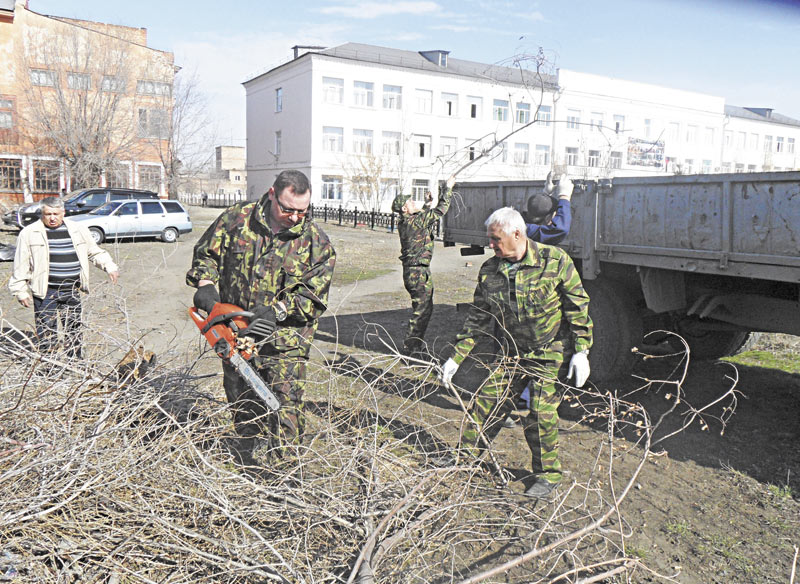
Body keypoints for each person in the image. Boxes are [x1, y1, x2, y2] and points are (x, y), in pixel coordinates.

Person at [438, 206, 592, 499]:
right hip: (512, 352)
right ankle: (464, 459)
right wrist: (456, 357)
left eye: (496, 239)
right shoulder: (490, 270)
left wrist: (581, 350)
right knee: (486, 403)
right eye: (490, 240)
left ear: (517, 234)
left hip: (551, 351)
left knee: (539, 413)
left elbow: (578, 306)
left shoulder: (555, 261)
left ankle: (548, 475)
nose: (490, 245)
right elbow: (478, 318)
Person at [186, 170, 336, 464]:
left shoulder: (317, 244)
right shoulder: (235, 220)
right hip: (235, 332)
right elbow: (206, 255)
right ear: (271, 195)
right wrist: (206, 286)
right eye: (288, 209)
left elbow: (314, 297)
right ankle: (246, 458)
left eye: (302, 211)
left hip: (285, 341)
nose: (295, 217)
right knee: (241, 398)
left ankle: (287, 470)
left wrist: (278, 310)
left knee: (285, 403)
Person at [9, 196, 120, 359]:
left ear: (63, 212)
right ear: (42, 213)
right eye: (48, 214)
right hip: (45, 292)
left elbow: (94, 251)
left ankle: (75, 362)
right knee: (47, 331)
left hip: (72, 290)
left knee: (73, 330)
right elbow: (21, 264)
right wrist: (20, 290)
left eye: (56, 213)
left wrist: (109, 266)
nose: (52, 218)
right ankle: (49, 366)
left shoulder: (78, 229)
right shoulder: (29, 233)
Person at [391, 174, 456, 356]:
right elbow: (441, 210)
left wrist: (427, 204)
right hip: (418, 272)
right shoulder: (414, 222)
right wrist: (448, 188)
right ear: (405, 208)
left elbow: (423, 218)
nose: (414, 203)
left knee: (423, 309)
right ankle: (411, 348)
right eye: (410, 202)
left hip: (415, 272)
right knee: (422, 311)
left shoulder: (407, 221)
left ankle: (414, 345)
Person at [525, 172, 573, 245]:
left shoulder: (520, 224)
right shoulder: (528, 232)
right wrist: (564, 197)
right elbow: (560, 230)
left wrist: (545, 195)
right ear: (548, 218)